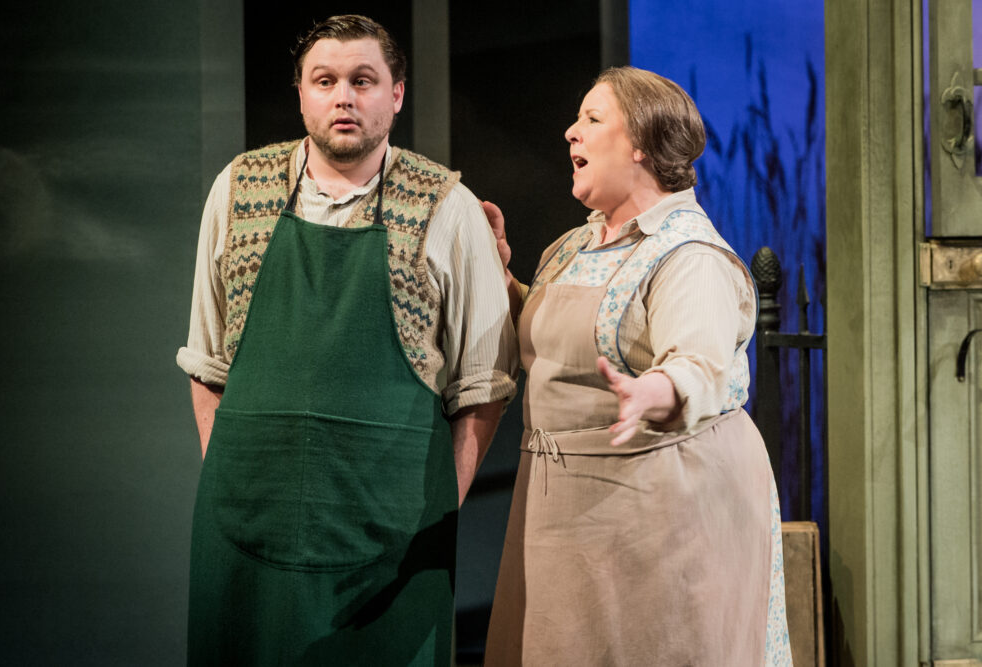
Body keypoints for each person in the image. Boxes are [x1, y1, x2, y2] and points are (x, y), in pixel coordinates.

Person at [175, 14, 517, 665]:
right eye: (324, 80)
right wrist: (233, 486)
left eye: (363, 80)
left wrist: (433, 516)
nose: (344, 97)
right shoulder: (238, 188)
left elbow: (483, 389)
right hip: (244, 531)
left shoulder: (448, 206)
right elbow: (207, 363)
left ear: (397, 93)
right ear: (301, 92)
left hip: (389, 549)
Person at [482, 67, 791, 666]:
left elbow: (699, 363)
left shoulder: (688, 254)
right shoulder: (576, 244)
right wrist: (500, 274)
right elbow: (552, 343)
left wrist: (653, 392)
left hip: (656, 505)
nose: (572, 132)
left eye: (593, 120)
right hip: (565, 502)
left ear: (640, 143)